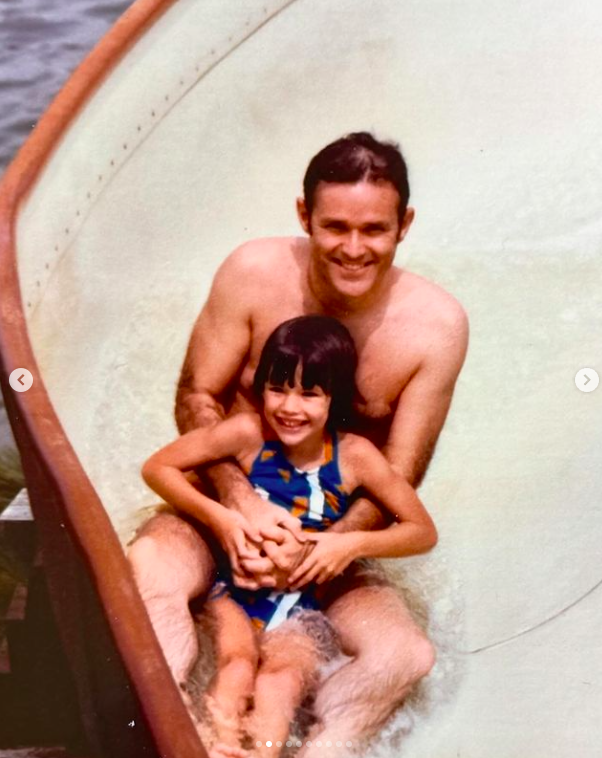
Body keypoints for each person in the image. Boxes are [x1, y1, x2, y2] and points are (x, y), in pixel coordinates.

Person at [128, 131, 469, 753]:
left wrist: (320, 550)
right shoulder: (254, 273)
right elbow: (197, 398)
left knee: (407, 654)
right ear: (304, 216)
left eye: (375, 230)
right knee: (149, 576)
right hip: (222, 511)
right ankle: (174, 734)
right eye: (335, 227)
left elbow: (399, 472)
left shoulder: (435, 327)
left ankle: (319, 746)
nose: (354, 249)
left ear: (404, 225)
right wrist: (242, 506)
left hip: (329, 541)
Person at [141, 316, 437, 758]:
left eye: (309, 394)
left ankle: (261, 753)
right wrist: (222, 518)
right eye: (278, 389)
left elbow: (421, 531)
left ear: (333, 397)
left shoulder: (355, 456)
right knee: (237, 666)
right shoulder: (247, 436)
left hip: (302, 606)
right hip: (235, 591)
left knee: (280, 682)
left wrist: (350, 543)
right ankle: (213, 747)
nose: (289, 408)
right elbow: (158, 467)